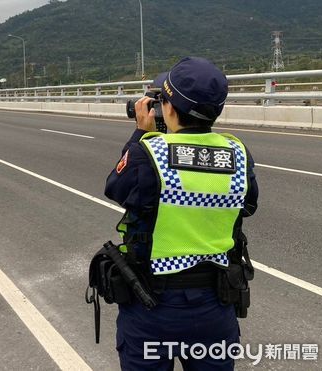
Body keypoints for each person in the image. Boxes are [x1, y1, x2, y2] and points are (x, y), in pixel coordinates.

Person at [105, 57, 258, 370]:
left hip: (153, 304)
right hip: (216, 304)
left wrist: (139, 134)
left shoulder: (149, 152)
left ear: (169, 108)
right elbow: (249, 205)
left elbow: (116, 189)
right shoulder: (238, 153)